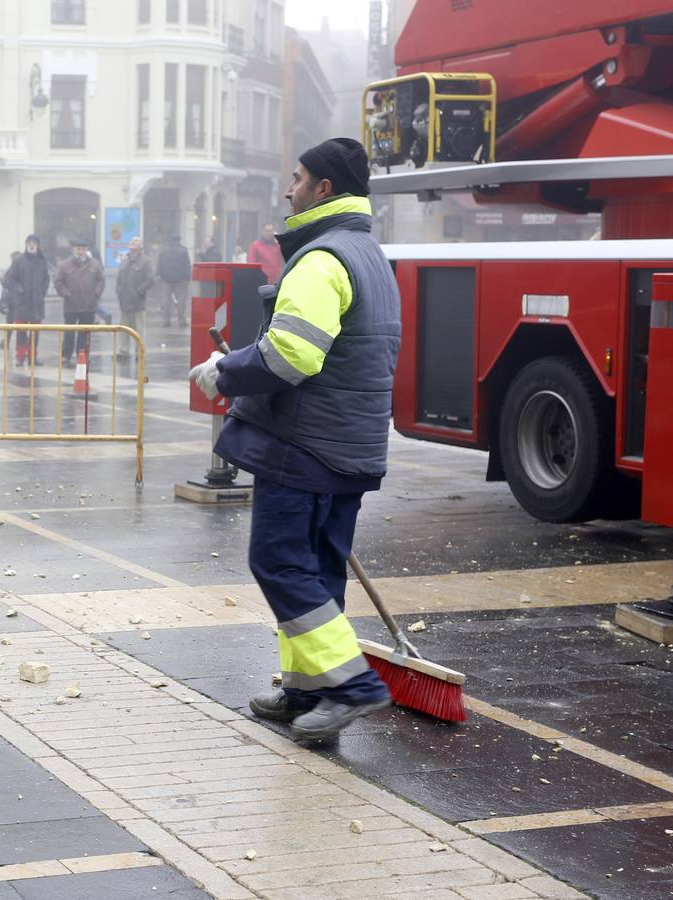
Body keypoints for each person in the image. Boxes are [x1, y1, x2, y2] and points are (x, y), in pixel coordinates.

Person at [188, 137, 401, 742]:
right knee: (318, 568)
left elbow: (291, 354)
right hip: (349, 445)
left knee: (280, 561)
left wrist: (224, 371)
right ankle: (309, 690)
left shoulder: (322, 259)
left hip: (305, 444)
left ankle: (349, 687)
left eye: (298, 177)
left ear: (323, 189)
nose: (289, 188)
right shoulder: (369, 256)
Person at [53, 238, 105, 365]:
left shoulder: (95, 264)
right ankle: (66, 356)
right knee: (69, 332)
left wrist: (96, 293)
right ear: (73, 250)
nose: (80, 252)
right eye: (78, 249)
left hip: (88, 305)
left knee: (85, 332)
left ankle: (83, 355)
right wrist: (65, 294)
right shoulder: (64, 265)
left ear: (86, 250)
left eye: (82, 249)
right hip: (71, 305)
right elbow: (58, 282)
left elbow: (101, 280)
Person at [1, 235, 49, 366]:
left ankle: (33, 357)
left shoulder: (42, 261)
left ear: (38, 245)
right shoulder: (18, 261)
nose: (32, 245)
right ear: (26, 245)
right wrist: (19, 290)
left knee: (35, 333)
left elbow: (46, 279)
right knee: (21, 331)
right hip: (22, 304)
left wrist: (41, 293)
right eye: (29, 242)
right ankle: (20, 356)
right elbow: (9, 279)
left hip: (37, 304)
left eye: (34, 242)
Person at [115, 237, 154, 358]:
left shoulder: (146, 261)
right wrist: (119, 292)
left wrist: (139, 291)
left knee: (139, 329)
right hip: (124, 301)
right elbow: (119, 280)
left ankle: (139, 351)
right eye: (132, 241)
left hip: (138, 301)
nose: (133, 243)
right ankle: (123, 350)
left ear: (141, 246)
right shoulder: (124, 261)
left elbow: (150, 280)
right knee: (124, 329)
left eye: (136, 241)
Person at [156, 233, 192, 327]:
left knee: (166, 300)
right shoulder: (183, 251)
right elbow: (186, 265)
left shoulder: (163, 250)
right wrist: (187, 277)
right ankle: (181, 319)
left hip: (166, 279)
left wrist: (160, 275)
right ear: (179, 240)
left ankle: (166, 320)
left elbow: (159, 264)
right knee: (181, 300)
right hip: (181, 279)